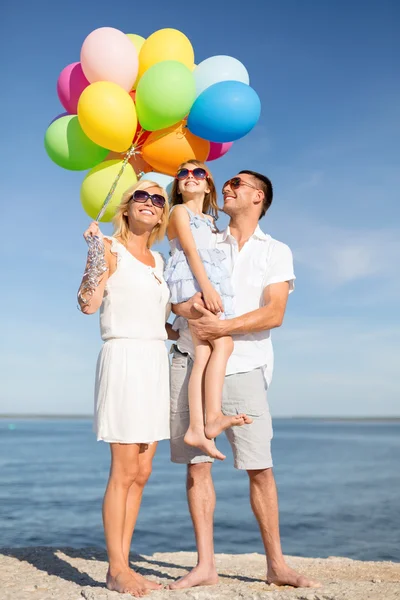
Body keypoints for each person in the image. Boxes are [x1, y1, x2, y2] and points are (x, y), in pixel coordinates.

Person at [169, 170, 320, 590]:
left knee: (260, 468)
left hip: (245, 363)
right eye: (227, 182)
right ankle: (205, 566)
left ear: (259, 197)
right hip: (189, 356)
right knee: (197, 467)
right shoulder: (202, 234)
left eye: (238, 183)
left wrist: (222, 328)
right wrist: (188, 311)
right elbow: (175, 291)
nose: (227, 187)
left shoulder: (276, 250)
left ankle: (276, 564)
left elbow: (274, 312)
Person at [77, 180, 171, 596]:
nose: (150, 202)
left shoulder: (160, 261)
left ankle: (124, 563)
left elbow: (158, 319)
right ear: (127, 207)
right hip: (124, 359)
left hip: (155, 360)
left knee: (144, 470)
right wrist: (95, 252)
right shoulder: (109, 249)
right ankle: (116, 570)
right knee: (124, 469)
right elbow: (87, 304)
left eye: (158, 198)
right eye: (141, 196)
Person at [164, 160, 251, 462]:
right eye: (183, 173)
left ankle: (197, 429)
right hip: (194, 285)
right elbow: (189, 251)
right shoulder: (178, 212)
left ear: (208, 183)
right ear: (177, 184)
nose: (190, 177)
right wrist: (208, 288)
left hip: (203, 284)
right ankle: (212, 416)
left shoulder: (209, 221)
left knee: (202, 353)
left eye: (198, 173)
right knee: (223, 342)